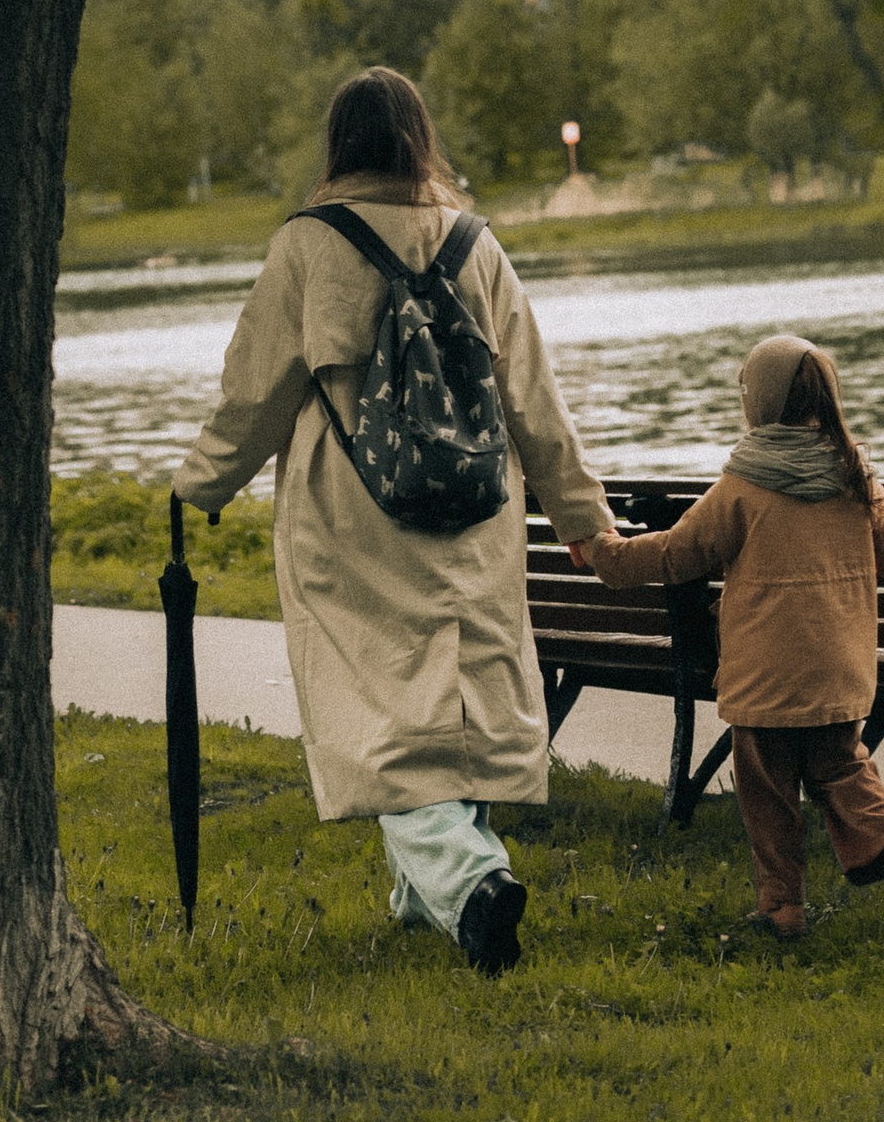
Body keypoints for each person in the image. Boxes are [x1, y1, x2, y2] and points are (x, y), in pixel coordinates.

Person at [170, 68, 614, 974]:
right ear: (420, 138)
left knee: (380, 716)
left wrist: (199, 489)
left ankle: (469, 883)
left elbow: (253, 393)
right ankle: (424, 894)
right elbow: (532, 397)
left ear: (340, 143)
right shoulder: (474, 245)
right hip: (473, 514)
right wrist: (579, 512)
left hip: (353, 518)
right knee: (454, 701)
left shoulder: (309, 245)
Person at [581, 333, 884, 938]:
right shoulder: (856, 479)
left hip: (765, 679)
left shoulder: (743, 487)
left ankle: (782, 905)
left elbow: (674, 555)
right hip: (839, 675)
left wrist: (607, 556)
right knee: (844, 771)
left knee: (767, 792)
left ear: (757, 400)